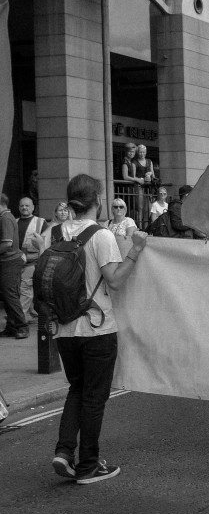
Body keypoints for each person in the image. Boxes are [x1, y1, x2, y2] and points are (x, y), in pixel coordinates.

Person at [45, 174, 147, 484]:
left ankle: (64, 452)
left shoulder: (55, 233)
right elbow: (114, 280)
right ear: (98, 201)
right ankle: (89, 465)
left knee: (77, 389)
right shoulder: (101, 236)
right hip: (97, 329)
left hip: (65, 329)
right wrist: (136, 250)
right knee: (93, 397)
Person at [0, 194, 29, 338]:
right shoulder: (7, 216)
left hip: (9, 261)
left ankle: (21, 326)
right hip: (9, 261)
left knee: (10, 294)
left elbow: (7, 243)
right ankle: (12, 326)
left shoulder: (5, 218)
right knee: (8, 295)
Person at [17, 198, 46, 324]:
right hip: (17, 262)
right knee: (20, 289)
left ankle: (19, 319)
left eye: (27, 205)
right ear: (18, 207)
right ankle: (26, 313)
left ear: (33, 207)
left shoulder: (41, 222)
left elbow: (46, 242)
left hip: (33, 262)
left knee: (25, 288)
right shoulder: (14, 221)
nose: (24, 208)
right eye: (22, 205)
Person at [122, 143, 155, 226]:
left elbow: (154, 176)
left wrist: (150, 175)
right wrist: (139, 179)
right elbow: (130, 176)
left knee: (148, 208)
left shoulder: (149, 161)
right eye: (140, 152)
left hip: (148, 187)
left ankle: (147, 226)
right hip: (138, 186)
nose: (142, 154)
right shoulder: (130, 162)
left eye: (144, 152)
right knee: (139, 207)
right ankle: (140, 225)